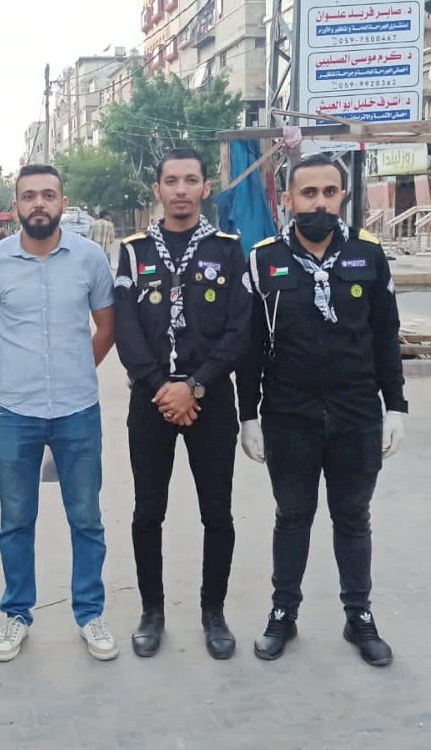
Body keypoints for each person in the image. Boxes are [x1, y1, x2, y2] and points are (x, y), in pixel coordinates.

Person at [237, 154, 407, 667]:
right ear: (288, 199)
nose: (319, 203)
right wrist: (249, 415)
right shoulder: (263, 260)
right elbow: (250, 346)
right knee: (292, 517)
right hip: (290, 414)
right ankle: (283, 614)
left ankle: (360, 617)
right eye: (308, 193)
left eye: (329, 192)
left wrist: (396, 406)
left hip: (356, 412)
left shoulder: (368, 255)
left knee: (353, 517)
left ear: (342, 197)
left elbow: (385, 335)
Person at [0, 164, 117, 662]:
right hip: (16, 411)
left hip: (78, 409)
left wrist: (74, 366)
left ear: (62, 202)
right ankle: (17, 613)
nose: (39, 203)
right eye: (29, 195)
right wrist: (21, 366)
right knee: (16, 519)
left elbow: (105, 326)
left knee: (87, 518)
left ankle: (90, 614)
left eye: (48, 195)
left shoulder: (89, 258)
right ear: (16, 204)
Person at [113, 148, 252, 660]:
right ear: (157, 190)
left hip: (209, 399)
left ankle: (213, 613)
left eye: (190, 180)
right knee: (148, 511)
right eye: (171, 181)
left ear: (205, 188)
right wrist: (163, 388)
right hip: (151, 400)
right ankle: (151, 612)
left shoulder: (228, 249)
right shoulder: (133, 251)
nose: (180, 190)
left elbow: (240, 329)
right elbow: (126, 329)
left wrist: (194, 385)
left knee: (217, 512)